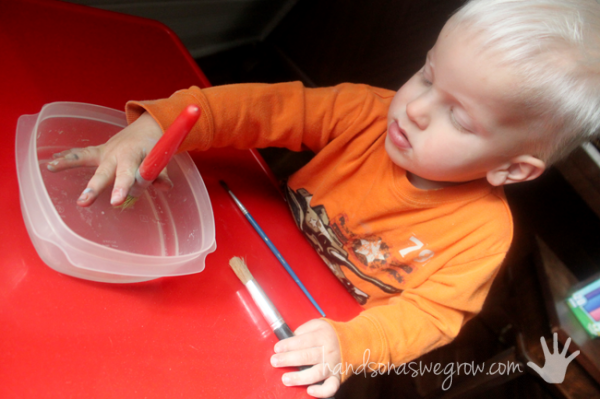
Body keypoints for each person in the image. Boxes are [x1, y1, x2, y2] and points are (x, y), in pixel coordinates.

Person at [47, 0, 600, 397]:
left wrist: (352, 344)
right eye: (427, 75)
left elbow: (432, 315)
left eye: (457, 116)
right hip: (239, 258)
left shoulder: (483, 236)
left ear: (512, 168)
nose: (415, 108)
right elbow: (265, 108)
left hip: (317, 333)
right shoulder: (367, 111)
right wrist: (164, 125)